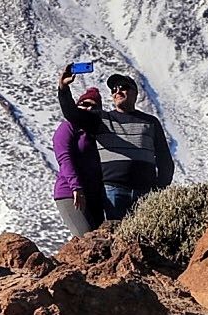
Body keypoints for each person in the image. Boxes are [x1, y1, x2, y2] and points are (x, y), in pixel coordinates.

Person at [57, 65, 173, 222]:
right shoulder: (101, 119)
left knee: (145, 236)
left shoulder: (150, 122)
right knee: (119, 236)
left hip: (146, 191)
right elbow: (72, 113)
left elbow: (164, 158)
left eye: (123, 87)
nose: (117, 92)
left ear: (135, 93)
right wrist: (64, 88)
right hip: (114, 190)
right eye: (113, 90)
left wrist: (159, 189)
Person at [52, 86, 106, 236]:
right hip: (70, 192)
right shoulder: (67, 127)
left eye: (93, 106)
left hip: (94, 196)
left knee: (99, 239)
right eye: (84, 104)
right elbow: (64, 158)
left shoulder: (97, 133)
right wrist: (76, 187)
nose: (88, 109)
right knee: (85, 236)